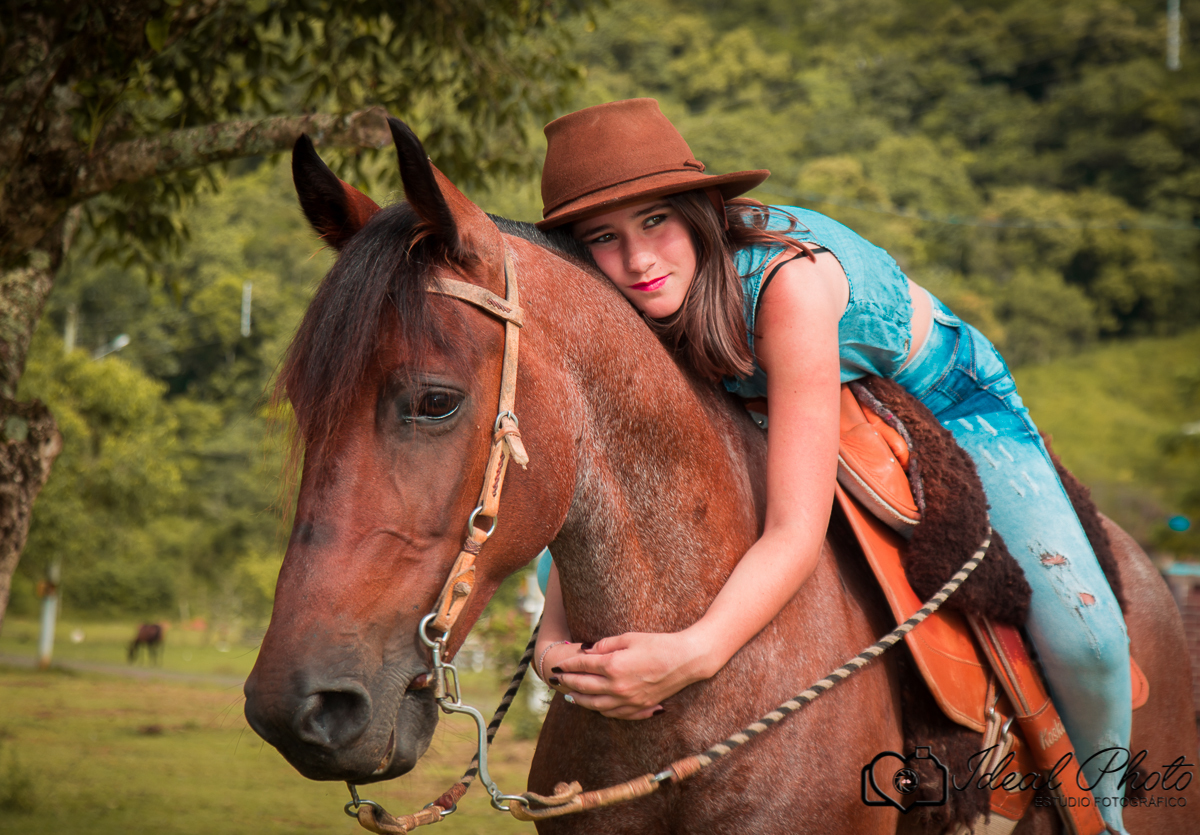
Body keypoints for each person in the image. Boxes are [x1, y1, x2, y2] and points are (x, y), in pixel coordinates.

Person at [530, 98, 1131, 832]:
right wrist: (552, 640)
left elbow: (794, 529)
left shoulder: (788, 286)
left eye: (656, 220)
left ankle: (1107, 812)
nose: (639, 260)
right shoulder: (632, 309)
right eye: (603, 237)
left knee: (1087, 637)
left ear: (700, 212)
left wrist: (693, 653)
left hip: (944, 390)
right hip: (761, 394)